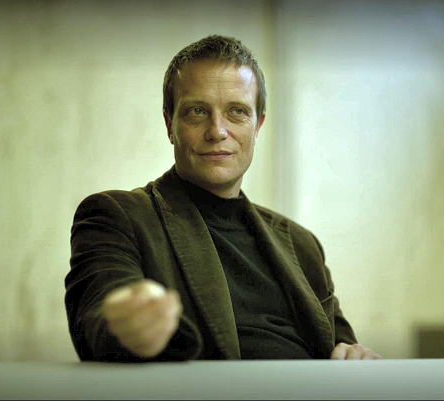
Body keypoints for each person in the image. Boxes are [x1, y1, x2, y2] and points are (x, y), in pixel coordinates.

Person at [64, 35, 381, 361]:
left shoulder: (303, 245)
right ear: (170, 124)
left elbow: (347, 350)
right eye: (197, 111)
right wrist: (129, 325)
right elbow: (97, 323)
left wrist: (356, 356)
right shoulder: (116, 216)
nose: (217, 131)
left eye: (237, 112)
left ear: (257, 126)